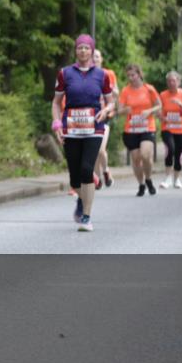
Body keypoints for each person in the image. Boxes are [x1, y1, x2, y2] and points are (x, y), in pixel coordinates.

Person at [51, 35, 114, 231]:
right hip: (71, 128)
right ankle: (82, 196)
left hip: (94, 127)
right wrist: (56, 125)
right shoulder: (65, 73)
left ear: (92, 50)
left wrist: (106, 110)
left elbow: (111, 101)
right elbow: (55, 103)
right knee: (74, 177)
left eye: (87, 48)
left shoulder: (102, 75)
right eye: (80, 48)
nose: (84, 51)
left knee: (87, 169)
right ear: (76, 51)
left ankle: (86, 216)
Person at [117, 64, 161, 197]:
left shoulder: (149, 89)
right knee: (136, 159)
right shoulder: (125, 91)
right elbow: (119, 111)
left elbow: (159, 105)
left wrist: (149, 110)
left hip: (147, 127)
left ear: (139, 74)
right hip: (131, 129)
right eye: (129, 76)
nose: (131, 78)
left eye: (133, 75)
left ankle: (148, 179)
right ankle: (141, 184)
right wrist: (125, 110)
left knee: (146, 155)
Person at [158, 71, 182, 189]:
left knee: (178, 154)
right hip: (167, 128)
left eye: (174, 80)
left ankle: (176, 179)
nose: (171, 83)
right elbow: (158, 111)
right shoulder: (163, 95)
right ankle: (167, 178)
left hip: (181, 130)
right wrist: (161, 117)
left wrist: (180, 104)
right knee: (170, 149)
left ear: (179, 82)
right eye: (169, 81)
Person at [92, 49, 118, 188]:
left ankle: (106, 170)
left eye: (97, 56)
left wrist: (109, 87)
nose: (94, 59)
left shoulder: (109, 74)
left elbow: (116, 94)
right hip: (90, 117)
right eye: (92, 57)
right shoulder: (86, 74)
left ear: (101, 59)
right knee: (94, 150)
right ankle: (98, 179)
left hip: (105, 116)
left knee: (101, 149)